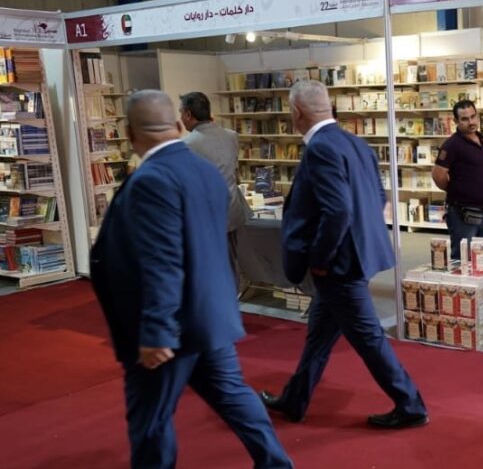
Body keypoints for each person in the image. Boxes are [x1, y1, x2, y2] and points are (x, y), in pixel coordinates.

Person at [90, 90, 292, 469]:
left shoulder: (151, 179)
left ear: (130, 133)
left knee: (150, 420)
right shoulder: (204, 170)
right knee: (233, 396)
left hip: (172, 325)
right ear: (177, 124)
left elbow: (163, 259)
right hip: (208, 313)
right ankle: (276, 463)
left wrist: (157, 329)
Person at [259, 80, 428, 429]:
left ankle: (410, 404)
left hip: (339, 266)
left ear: (296, 112)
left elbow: (337, 211)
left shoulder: (320, 148)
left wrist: (321, 259)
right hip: (355, 257)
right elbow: (377, 198)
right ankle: (295, 398)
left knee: (368, 338)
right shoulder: (355, 142)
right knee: (319, 335)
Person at [179, 91, 252, 289]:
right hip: (231, 210)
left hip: (205, 216)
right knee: (230, 263)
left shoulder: (186, 144)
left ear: (188, 114)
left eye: (181, 113)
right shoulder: (231, 136)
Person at [432, 99, 483, 261]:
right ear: (456, 122)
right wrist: (458, 190)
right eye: (465, 119)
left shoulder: (481, 139)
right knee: (462, 258)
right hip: (464, 213)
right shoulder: (452, 145)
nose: (471, 122)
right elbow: (438, 175)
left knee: (482, 258)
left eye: (473, 116)